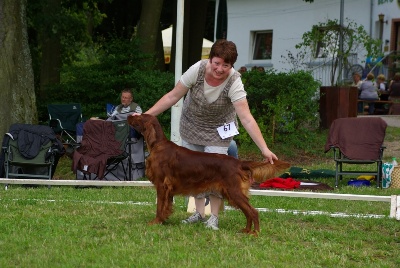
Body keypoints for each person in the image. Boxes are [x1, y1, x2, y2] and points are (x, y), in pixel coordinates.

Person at [136, 39, 278, 231]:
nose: (219, 69)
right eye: (216, 63)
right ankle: (199, 213)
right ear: (210, 59)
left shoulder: (235, 82)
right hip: (192, 126)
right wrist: (146, 116)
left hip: (219, 130)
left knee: (216, 172)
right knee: (192, 171)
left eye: (225, 65)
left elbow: (247, 119)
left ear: (232, 66)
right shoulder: (197, 69)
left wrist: (264, 149)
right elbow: (172, 96)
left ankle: (214, 218)